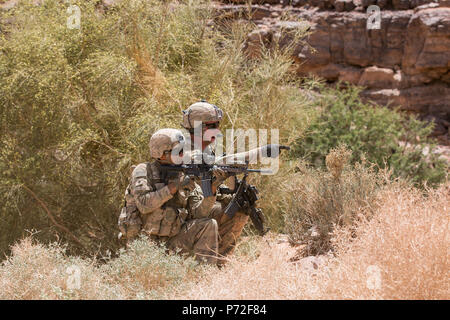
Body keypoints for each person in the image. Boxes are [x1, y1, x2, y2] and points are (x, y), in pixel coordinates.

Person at [180, 100, 288, 258]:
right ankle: (200, 261)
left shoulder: (207, 149)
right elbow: (217, 163)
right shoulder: (182, 148)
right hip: (182, 217)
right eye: (212, 126)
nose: (217, 130)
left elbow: (222, 178)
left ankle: (220, 259)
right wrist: (261, 152)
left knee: (238, 205)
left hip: (200, 208)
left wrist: (228, 177)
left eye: (217, 125)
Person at [118, 128, 223, 265]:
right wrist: (174, 187)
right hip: (144, 245)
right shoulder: (143, 171)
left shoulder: (182, 173)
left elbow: (199, 214)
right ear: (161, 154)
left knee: (208, 224)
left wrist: (212, 189)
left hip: (172, 243)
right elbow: (144, 205)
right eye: (178, 151)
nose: (183, 154)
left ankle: (205, 275)